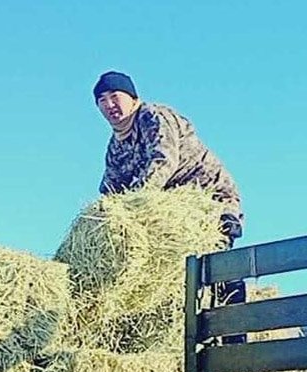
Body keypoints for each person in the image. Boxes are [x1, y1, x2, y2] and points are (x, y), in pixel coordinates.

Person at [93, 70, 246, 339]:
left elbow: (163, 163)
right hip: (168, 214)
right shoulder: (115, 147)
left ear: (133, 98)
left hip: (208, 200)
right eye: (101, 101)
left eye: (114, 97)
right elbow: (109, 191)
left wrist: (131, 205)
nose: (109, 105)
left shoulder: (153, 117)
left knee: (218, 264)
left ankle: (237, 343)